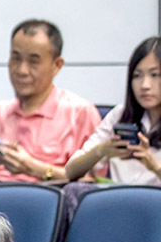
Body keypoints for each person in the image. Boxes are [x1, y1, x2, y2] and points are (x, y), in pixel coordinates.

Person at [0, 19, 101, 183]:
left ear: (57, 65)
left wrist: (34, 169)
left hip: (43, 205)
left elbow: (93, 183)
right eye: (16, 58)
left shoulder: (80, 113)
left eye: (33, 61)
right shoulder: (0, 112)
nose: (22, 70)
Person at [65, 36, 161, 184]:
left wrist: (153, 166)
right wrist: (102, 150)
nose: (145, 85)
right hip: (118, 203)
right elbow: (71, 172)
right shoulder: (120, 114)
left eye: (155, 75)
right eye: (137, 76)